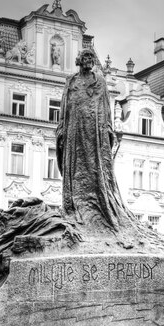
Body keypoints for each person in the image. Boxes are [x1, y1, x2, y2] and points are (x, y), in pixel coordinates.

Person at [55, 49, 133, 233]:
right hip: (74, 130)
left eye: (91, 57)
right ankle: (75, 205)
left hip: (94, 132)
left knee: (95, 167)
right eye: (86, 57)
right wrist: (61, 129)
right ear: (80, 60)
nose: (89, 60)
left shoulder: (101, 82)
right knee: (76, 167)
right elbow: (64, 107)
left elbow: (105, 108)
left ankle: (99, 207)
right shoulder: (71, 81)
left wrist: (107, 129)